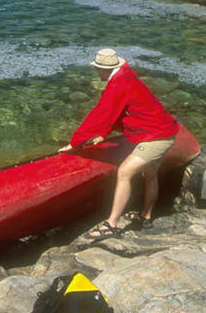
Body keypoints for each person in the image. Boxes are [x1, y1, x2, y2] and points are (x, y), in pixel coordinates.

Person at [58, 48, 178, 240]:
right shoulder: (126, 77)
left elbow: (100, 114)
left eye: (98, 69)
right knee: (150, 173)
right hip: (166, 131)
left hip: (156, 137)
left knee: (124, 172)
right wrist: (104, 133)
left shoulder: (118, 85)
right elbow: (120, 110)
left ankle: (111, 225)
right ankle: (146, 217)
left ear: (104, 70)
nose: (97, 73)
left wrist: (75, 142)